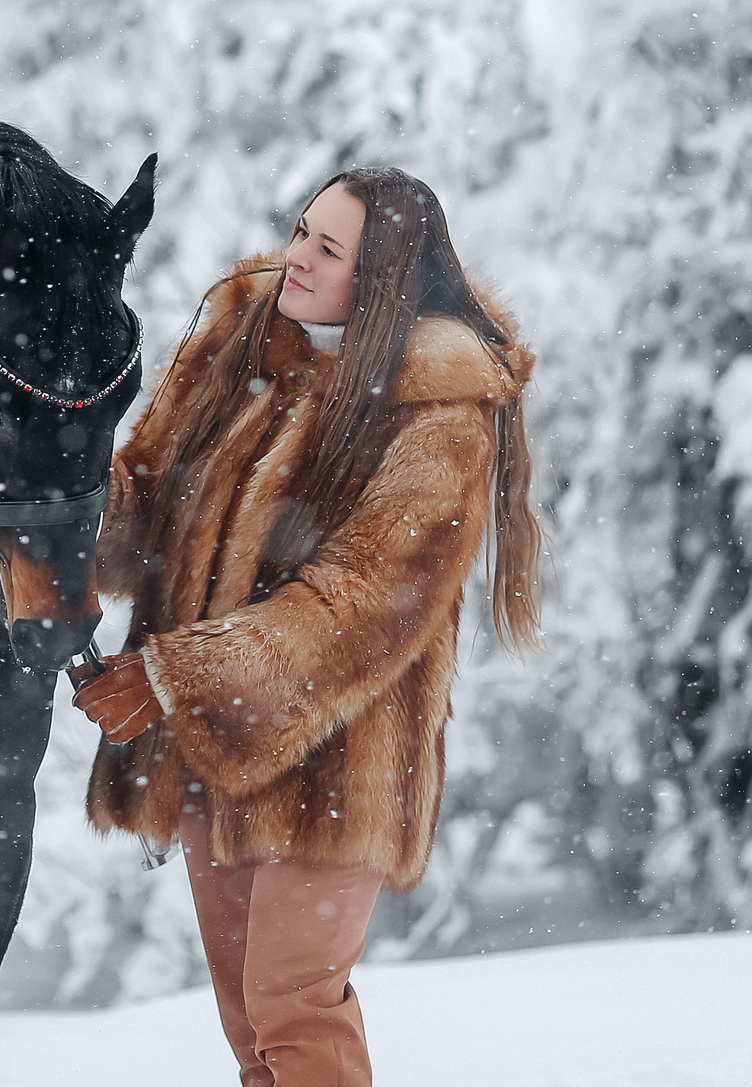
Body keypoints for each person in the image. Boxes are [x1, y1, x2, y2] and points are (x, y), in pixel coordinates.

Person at [70, 166, 541, 1087]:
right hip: (220, 744)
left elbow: (362, 601)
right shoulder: (241, 348)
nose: (297, 257)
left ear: (383, 281)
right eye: (300, 230)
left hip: (342, 755)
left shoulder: (440, 411)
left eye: (329, 248)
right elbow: (150, 514)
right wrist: (62, 486)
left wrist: (173, 676)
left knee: (293, 1000)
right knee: (250, 1021)